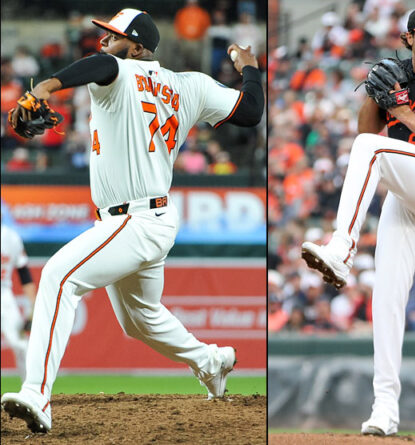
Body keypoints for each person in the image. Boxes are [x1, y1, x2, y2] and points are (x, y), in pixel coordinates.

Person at [1, 8, 264, 434]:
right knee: (139, 320)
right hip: (152, 217)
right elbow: (251, 111)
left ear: (137, 47)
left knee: (57, 277)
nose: (104, 41)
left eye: (114, 36)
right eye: (104, 34)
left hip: (133, 219)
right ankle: (211, 361)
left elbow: (103, 65)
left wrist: (47, 85)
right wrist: (249, 67)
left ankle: (36, 394)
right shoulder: (190, 84)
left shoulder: (118, 73)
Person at [300, 5, 415, 437]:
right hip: (408, 192)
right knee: (387, 296)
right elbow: (367, 129)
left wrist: (404, 113)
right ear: (409, 38)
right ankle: (385, 408)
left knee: (371, 150)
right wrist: (375, 97)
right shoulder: (396, 73)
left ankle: (341, 248)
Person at [1, 223, 38, 381]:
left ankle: (31, 391)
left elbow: (24, 273)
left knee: (22, 345)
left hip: (4, 295)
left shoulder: (10, 237)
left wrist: (33, 304)